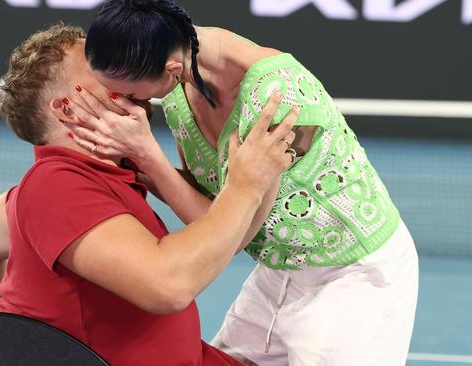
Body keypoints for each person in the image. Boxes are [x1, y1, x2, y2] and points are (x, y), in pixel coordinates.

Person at [62, 1, 419, 365]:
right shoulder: (179, 88)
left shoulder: (281, 103)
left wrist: (147, 156)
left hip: (352, 275)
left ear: (171, 69)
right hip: (280, 270)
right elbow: (213, 198)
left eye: (133, 94)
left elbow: (232, 232)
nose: (128, 103)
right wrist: (134, 168)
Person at [0, 23, 298, 366]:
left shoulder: (105, 176)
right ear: (67, 108)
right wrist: (243, 185)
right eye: (99, 65)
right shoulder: (55, 185)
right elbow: (168, 285)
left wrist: (260, 179)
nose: (119, 66)